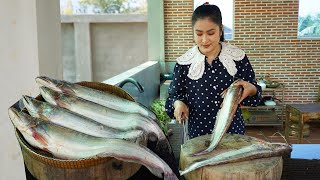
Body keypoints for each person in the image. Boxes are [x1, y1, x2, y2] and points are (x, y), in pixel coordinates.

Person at [165, 3, 262, 139]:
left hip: (233, 134)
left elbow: (255, 95)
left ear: (221, 30)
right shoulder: (184, 63)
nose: (204, 40)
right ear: (193, 32)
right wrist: (178, 104)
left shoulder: (237, 57)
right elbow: (173, 97)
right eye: (199, 34)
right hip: (198, 136)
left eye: (211, 33)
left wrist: (251, 89)